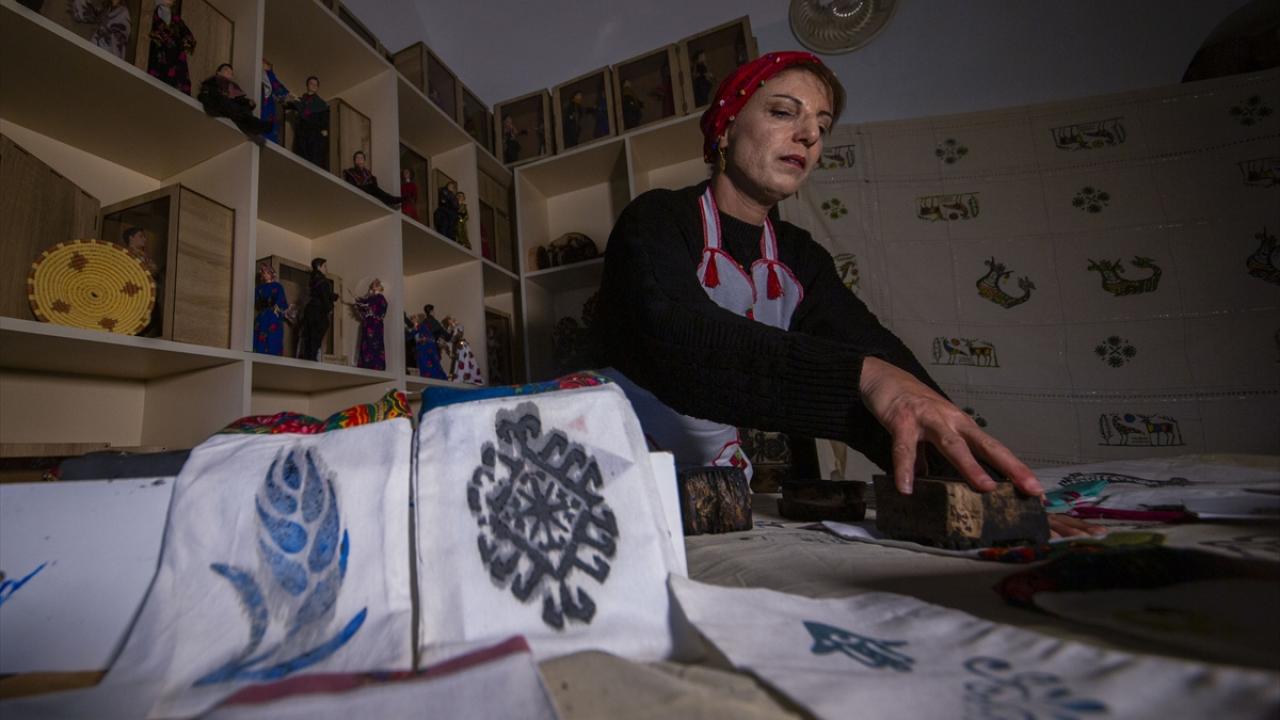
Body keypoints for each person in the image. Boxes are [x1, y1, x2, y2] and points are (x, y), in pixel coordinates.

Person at [595, 52, 1098, 539]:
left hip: (715, 483)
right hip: (605, 467)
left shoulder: (799, 255)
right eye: (783, 112)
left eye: (822, 125)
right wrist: (867, 375)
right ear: (724, 129)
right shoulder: (657, 218)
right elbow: (676, 338)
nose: (809, 135)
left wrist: (986, 487)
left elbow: (877, 352)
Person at [198, 63, 271, 143]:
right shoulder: (213, 82)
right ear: (218, 72)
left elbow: (240, 100)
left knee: (241, 110)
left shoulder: (232, 87)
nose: (228, 72)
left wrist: (249, 103)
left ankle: (252, 129)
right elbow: (206, 95)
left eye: (231, 73)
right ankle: (253, 127)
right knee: (231, 107)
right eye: (226, 70)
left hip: (230, 110)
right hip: (217, 105)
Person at [145, 0, 195, 95]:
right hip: (158, 57)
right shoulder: (150, 13)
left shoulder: (176, 19)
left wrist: (179, 44)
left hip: (176, 60)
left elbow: (189, 39)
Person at [297, 257, 337, 362]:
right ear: (319, 267)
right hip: (318, 313)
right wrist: (330, 308)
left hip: (310, 311)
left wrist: (333, 296)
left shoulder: (314, 279)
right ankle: (312, 361)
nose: (327, 269)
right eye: (325, 266)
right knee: (315, 339)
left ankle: (308, 360)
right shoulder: (323, 281)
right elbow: (324, 297)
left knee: (309, 339)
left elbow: (320, 293)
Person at [289, 76, 329, 170]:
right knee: (299, 159)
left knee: (313, 160)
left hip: (314, 133)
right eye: (312, 83)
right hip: (301, 133)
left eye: (316, 84)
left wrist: (324, 129)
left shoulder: (322, 104)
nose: (314, 86)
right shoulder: (300, 100)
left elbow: (324, 120)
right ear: (307, 85)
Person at [252, 263, 288, 356]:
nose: (266, 275)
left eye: (268, 272)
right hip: (263, 315)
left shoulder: (277, 286)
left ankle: (274, 354)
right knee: (260, 334)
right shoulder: (258, 288)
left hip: (273, 315)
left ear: (272, 273)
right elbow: (256, 302)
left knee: (273, 337)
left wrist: (278, 308)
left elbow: (282, 300)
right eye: (264, 273)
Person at [353, 278, 387, 370]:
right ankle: (365, 364)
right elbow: (362, 307)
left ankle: (376, 365)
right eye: (373, 286)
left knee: (375, 343)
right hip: (367, 324)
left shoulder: (381, 298)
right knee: (366, 342)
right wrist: (359, 303)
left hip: (375, 324)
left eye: (376, 286)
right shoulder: (369, 298)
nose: (373, 288)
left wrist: (373, 313)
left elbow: (382, 312)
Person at [260, 59, 292, 145]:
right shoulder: (255, 73)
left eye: (265, 64)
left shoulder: (269, 76)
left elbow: (281, 92)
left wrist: (269, 72)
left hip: (268, 108)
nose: (264, 65)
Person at [412, 313, 447, 380]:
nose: (413, 320)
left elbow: (428, 338)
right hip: (421, 349)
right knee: (423, 364)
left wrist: (423, 339)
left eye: (414, 318)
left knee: (428, 364)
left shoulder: (423, 327)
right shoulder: (417, 328)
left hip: (425, 349)